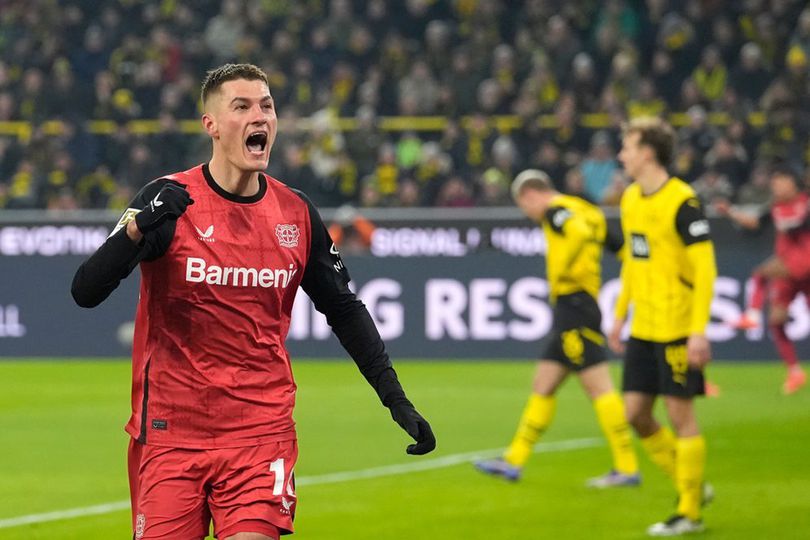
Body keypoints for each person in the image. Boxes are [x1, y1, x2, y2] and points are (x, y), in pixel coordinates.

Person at [71, 63, 435, 540]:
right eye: (241, 107)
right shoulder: (167, 200)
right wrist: (139, 226)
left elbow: (344, 309)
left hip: (261, 434)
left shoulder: (295, 212)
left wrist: (395, 398)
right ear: (212, 124)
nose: (258, 116)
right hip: (169, 434)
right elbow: (86, 290)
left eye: (266, 106)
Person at [474, 169, 640, 488]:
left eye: (524, 207)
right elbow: (623, 250)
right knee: (544, 383)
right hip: (577, 307)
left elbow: (576, 233)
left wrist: (563, 267)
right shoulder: (588, 210)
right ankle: (514, 461)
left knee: (599, 387)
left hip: (574, 305)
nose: (529, 214)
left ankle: (627, 466)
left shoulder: (556, 211)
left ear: (530, 195)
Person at [608, 117, 716, 536]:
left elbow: (705, 270)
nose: (622, 155)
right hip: (644, 327)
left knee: (679, 415)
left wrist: (698, 330)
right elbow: (634, 262)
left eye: (628, 147)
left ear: (648, 153)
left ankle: (689, 511)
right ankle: (693, 486)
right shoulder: (631, 199)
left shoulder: (683, 201)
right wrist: (620, 314)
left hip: (677, 326)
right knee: (635, 414)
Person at [715, 165, 809, 394]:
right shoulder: (775, 207)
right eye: (774, 183)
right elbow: (756, 223)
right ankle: (795, 372)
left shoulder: (805, 203)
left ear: (792, 183)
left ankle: (752, 315)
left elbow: (797, 225)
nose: (775, 187)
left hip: (803, 262)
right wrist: (731, 212)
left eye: (780, 182)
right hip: (787, 269)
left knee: (760, 273)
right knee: (777, 320)